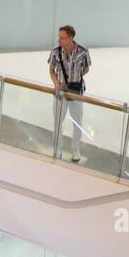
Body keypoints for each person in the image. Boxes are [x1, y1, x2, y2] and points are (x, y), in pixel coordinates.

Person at [48, 25, 91, 163]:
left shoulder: (83, 52)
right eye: (58, 37)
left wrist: (75, 79)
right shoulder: (55, 51)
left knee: (77, 123)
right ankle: (57, 149)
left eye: (62, 37)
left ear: (71, 38)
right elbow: (51, 70)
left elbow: (86, 68)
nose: (59, 40)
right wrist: (56, 84)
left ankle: (76, 150)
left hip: (77, 92)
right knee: (57, 123)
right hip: (60, 92)